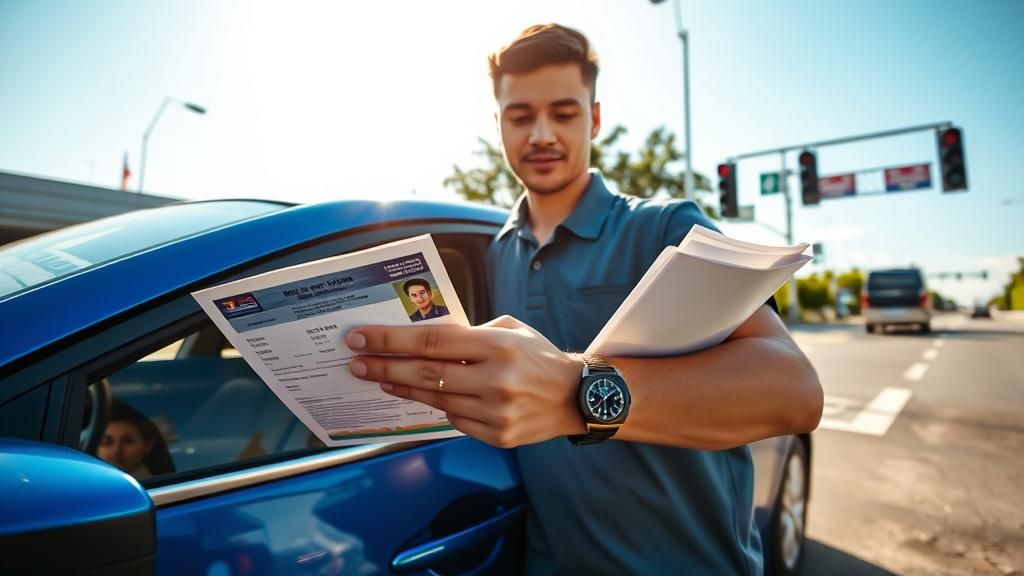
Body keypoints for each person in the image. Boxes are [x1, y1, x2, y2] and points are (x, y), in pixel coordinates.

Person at [347, 24, 822, 574]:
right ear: (497, 126)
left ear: (594, 118)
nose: (542, 134)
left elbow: (795, 391)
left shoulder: (666, 226)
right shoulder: (492, 255)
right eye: (520, 116)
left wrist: (577, 392)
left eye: (564, 113)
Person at [96, 401, 174, 480]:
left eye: (128, 441)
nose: (116, 450)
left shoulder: (157, 486)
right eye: (106, 442)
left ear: (148, 446)